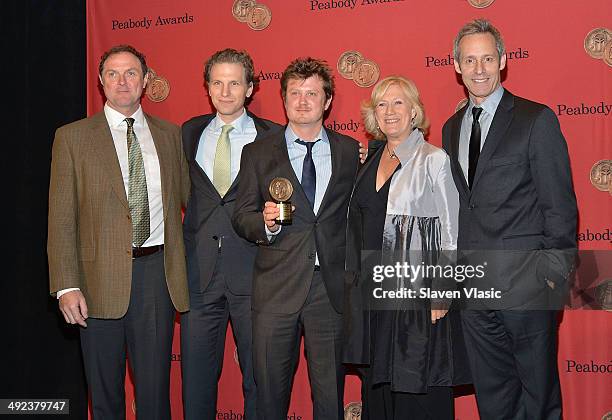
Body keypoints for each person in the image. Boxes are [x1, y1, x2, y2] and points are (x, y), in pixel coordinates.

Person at [442, 19, 577, 419]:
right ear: (456, 66)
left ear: (502, 60)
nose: (479, 68)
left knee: (538, 395)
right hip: (476, 290)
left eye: (487, 58)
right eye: (470, 60)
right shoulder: (451, 128)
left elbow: (560, 206)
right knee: (493, 394)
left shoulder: (536, 119)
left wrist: (552, 276)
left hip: (528, 286)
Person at [48, 45, 190, 419]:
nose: (122, 81)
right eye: (112, 73)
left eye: (131, 73)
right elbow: (60, 218)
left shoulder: (170, 135)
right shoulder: (72, 138)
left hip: (156, 277)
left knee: (156, 394)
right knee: (105, 394)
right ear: (100, 82)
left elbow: (196, 200)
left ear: (146, 81)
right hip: (94, 283)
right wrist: (66, 285)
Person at [232, 57, 360, 420]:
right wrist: (267, 224)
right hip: (275, 288)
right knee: (269, 398)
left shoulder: (349, 151)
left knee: (330, 399)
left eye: (312, 93)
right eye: (294, 93)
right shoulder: (257, 152)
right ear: (284, 98)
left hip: (329, 291)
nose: (303, 101)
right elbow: (242, 217)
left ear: (328, 100)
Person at [343, 76, 470, 420]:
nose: (390, 111)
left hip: (416, 299)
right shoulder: (368, 161)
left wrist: (443, 291)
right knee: (378, 393)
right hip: (372, 299)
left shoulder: (434, 160)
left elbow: (451, 229)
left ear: (414, 112)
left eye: (398, 102)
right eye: (381, 104)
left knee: (417, 388)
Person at [180, 48, 281, 420]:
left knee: (260, 380)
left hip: (256, 274)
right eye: (217, 83)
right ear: (207, 87)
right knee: (195, 381)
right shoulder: (189, 132)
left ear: (250, 88)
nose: (225, 92)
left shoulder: (274, 136)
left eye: (234, 83)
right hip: (198, 277)